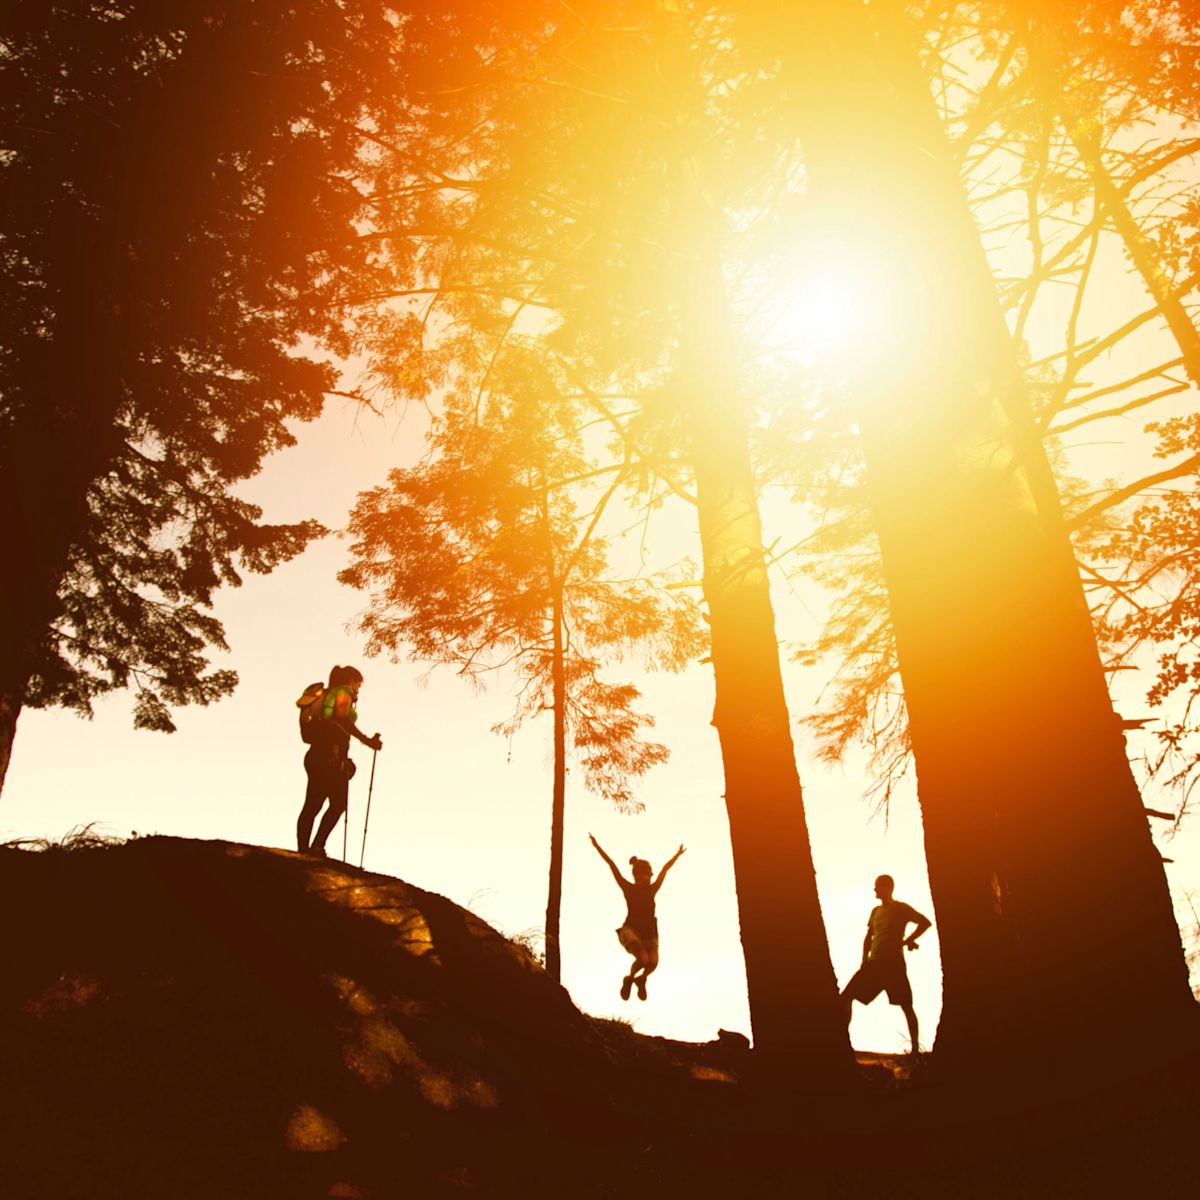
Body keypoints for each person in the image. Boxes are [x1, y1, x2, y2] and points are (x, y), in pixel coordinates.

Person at [296, 665, 382, 857]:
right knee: (337, 804)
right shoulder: (343, 692)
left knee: (313, 804)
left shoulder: (328, 694)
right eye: (358, 685)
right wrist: (367, 740)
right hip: (331, 756)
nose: (358, 690)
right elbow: (342, 719)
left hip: (317, 754)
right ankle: (316, 846)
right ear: (351, 681)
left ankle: (303, 849)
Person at [841, 874, 932, 1055]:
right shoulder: (875, 911)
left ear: (887, 887)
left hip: (894, 966)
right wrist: (863, 959)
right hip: (873, 965)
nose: (874, 889)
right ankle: (843, 1041)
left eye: (877, 886)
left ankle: (915, 1049)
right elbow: (869, 936)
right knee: (846, 997)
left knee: (906, 1005)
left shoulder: (901, 908)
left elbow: (925, 922)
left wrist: (908, 940)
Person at [589, 833, 685, 1001]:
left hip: (649, 932)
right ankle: (629, 978)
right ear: (639, 876)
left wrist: (676, 855)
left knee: (653, 962)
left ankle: (641, 979)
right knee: (643, 958)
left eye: (650, 875)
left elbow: (665, 870)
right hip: (632, 929)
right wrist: (597, 847)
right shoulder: (628, 888)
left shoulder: (652, 889)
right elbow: (612, 865)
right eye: (647, 875)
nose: (650, 878)